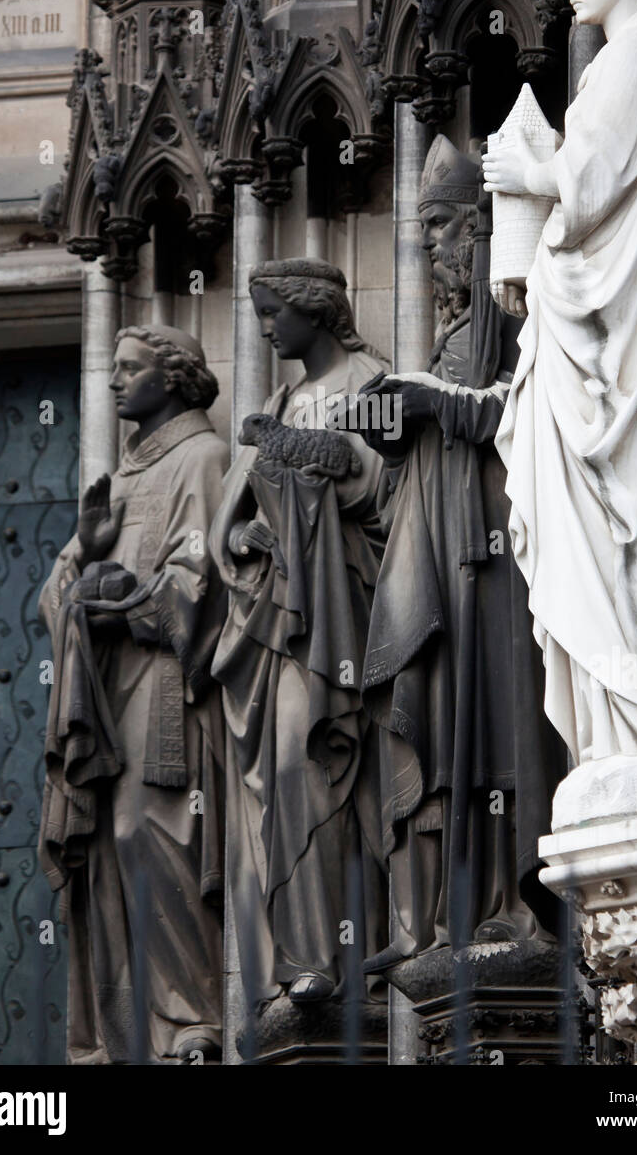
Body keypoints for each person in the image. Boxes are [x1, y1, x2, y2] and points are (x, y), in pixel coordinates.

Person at [483, 0, 637, 768]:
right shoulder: (627, 55)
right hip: (597, 316)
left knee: (605, 519)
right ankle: (621, 721)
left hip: (614, 332)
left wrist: (525, 171)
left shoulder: (636, 49)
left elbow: (590, 179)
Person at [355, 137, 563, 971]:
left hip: (498, 556)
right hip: (442, 552)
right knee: (444, 723)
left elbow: (520, 414)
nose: (429, 245)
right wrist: (399, 427)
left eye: (441, 225)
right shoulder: (454, 339)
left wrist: (433, 401)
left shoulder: (519, 322)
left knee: (498, 715)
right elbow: (442, 441)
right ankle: (447, 911)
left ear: (480, 229)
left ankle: (513, 901)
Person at [38, 325, 228, 1063]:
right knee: (104, 863)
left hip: (165, 688)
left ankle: (189, 1019)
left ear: (173, 378)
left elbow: (204, 583)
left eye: (129, 369)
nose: (114, 381)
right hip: (104, 694)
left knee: (148, 835)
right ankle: (119, 1038)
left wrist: (126, 596)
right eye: (112, 369)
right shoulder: (115, 482)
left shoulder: (203, 459)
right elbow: (51, 603)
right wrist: (87, 553)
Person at [209, 259, 388, 1005]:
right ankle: (299, 957)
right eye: (253, 313)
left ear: (316, 310)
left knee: (313, 760)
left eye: (272, 312)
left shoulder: (371, 384)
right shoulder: (279, 398)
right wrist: (249, 536)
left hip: (344, 615)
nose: (262, 327)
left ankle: (347, 955)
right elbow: (230, 522)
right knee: (282, 773)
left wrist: (320, 464)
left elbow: (385, 486)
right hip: (276, 619)